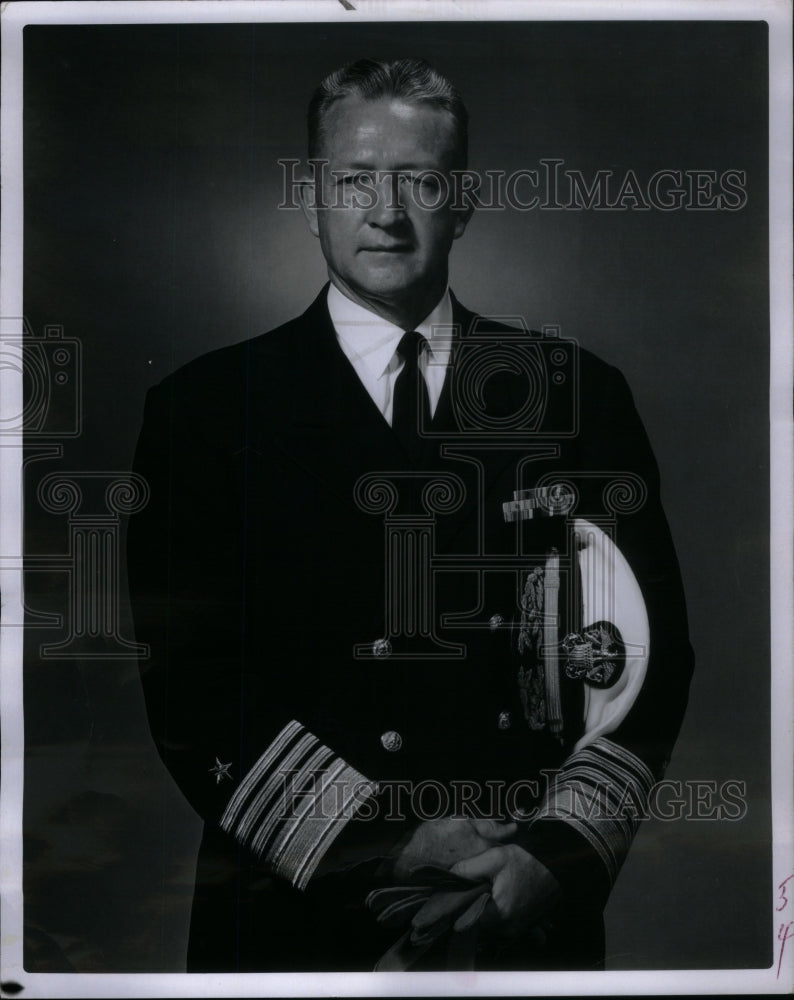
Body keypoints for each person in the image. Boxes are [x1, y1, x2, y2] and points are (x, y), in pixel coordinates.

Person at [127, 57, 694, 972]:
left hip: (521, 911)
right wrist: (390, 839)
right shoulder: (205, 412)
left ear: (462, 203)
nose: (385, 211)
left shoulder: (578, 396)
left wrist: (554, 855)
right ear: (312, 199)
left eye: (420, 181)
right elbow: (195, 694)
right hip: (294, 918)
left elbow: (651, 659)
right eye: (353, 178)